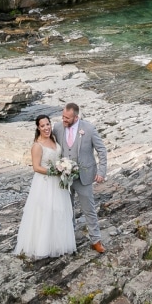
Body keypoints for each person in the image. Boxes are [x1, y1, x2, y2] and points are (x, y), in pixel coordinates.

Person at [13, 114, 76, 259]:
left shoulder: (53, 139)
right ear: (38, 128)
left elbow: (59, 158)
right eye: (43, 126)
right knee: (46, 211)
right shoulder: (37, 145)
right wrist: (54, 171)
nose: (46, 128)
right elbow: (36, 167)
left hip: (58, 183)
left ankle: (58, 243)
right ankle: (43, 246)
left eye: (48, 124)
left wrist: (66, 167)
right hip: (45, 183)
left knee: (59, 211)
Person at [53, 102, 108, 253]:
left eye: (67, 118)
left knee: (89, 210)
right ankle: (70, 240)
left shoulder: (89, 129)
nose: (64, 119)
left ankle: (96, 240)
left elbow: (101, 150)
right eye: (63, 116)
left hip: (84, 177)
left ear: (76, 117)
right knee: (67, 209)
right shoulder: (57, 128)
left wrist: (102, 172)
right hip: (65, 177)